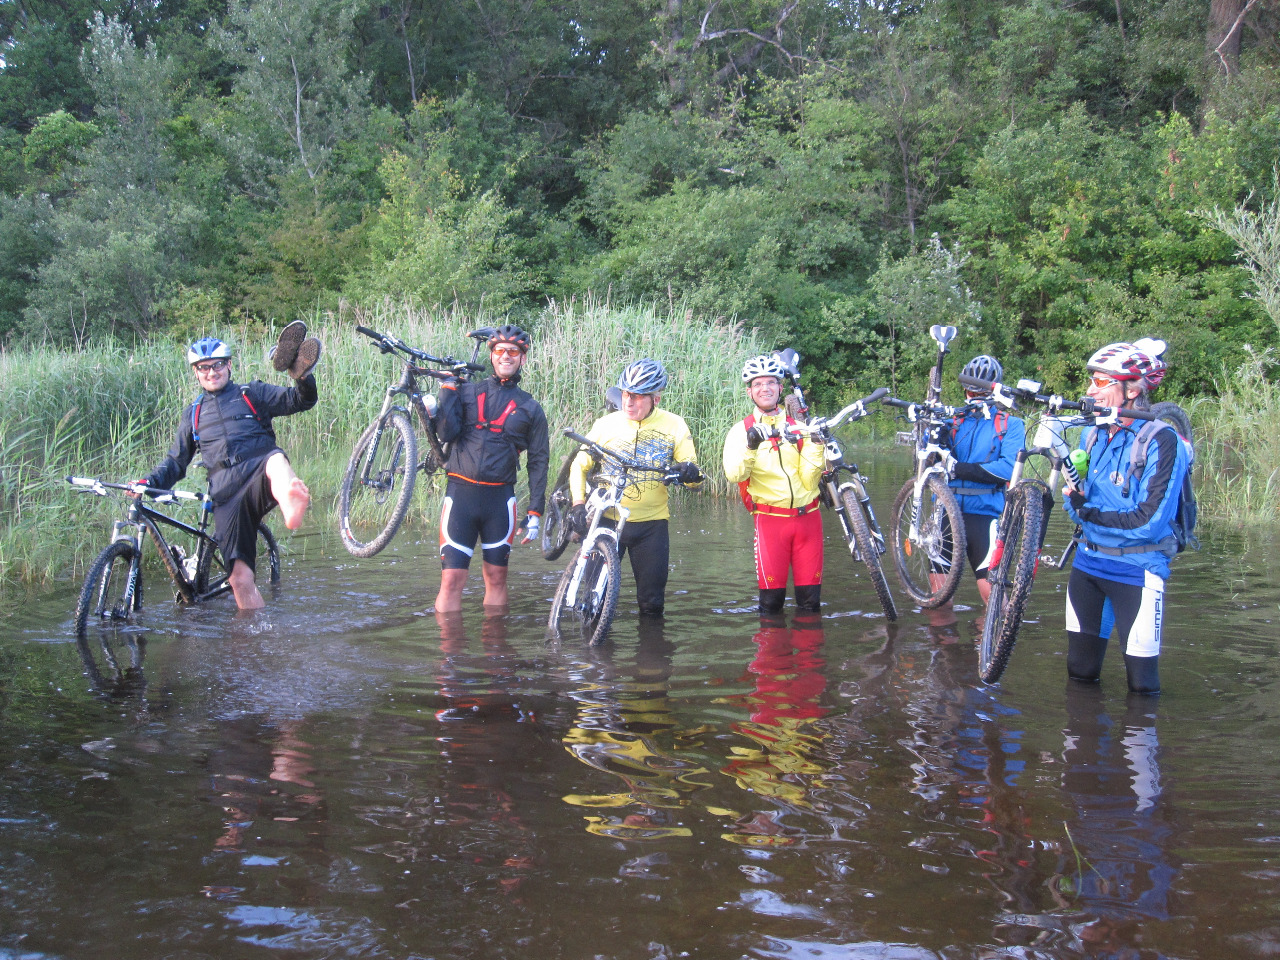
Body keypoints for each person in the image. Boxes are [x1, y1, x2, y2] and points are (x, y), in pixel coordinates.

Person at [141, 325, 319, 610]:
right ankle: (253, 630)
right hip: (225, 492)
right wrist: (148, 483)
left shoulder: (252, 393)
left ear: (229, 365)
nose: (211, 372)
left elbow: (301, 400)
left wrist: (303, 378)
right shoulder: (193, 414)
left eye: (217, 365)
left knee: (275, 460)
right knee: (239, 579)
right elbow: (176, 462)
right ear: (196, 373)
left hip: (259, 468)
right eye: (204, 368)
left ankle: (291, 502)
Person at [1061, 339, 1189, 695]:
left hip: (1137, 569)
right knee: (1079, 672)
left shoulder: (1163, 441)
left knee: (1142, 687)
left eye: (1101, 381)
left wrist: (1087, 511)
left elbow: (1149, 521)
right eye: (1092, 380)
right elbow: (1074, 504)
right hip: (1088, 564)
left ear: (1132, 389)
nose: (1090, 390)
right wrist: (1080, 506)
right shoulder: (1091, 435)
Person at [567, 359, 702, 618]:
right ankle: (591, 643)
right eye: (626, 394)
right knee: (594, 603)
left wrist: (690, 474)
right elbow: (579, 466)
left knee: (652, 605)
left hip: (651, 526)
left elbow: (694, 478)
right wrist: (577, 504)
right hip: (606, 521)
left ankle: (651, 645)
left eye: (638, 396)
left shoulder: (675, 425)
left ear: (656, 398)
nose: (629, 402)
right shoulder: (605, 424)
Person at [432, 324, 550, 612]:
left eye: (513, 352)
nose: (505, 356)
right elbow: (445, 433)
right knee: (451, 580)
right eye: (499, 351)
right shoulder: (467, 392)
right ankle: (446, 643)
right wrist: (448, 391)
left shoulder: (531, 408)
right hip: (460, 496)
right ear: (492, 356)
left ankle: (495, 641)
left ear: (523, 358)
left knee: (497, 579)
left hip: (500, 501)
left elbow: (538, 460)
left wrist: (535, 511)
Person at [721, 354, 827, 614]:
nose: (764, 388)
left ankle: (810, 643)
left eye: (770, 382)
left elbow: (809, 480)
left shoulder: (797, 427)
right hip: (770, 522)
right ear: (749, 392)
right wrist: (751, 446)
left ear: (780, 388)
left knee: (811, 604)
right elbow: (734, 475)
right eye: (757, 384)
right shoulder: (740, 430)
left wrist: (816, 444)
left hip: (808, 519)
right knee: (770, 605)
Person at [947, 355, 1026, 605]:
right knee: (938, 604)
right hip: (946, 513)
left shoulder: (1011, 424)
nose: (976, 398)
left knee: (994, 603)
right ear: (964, 391)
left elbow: (1008, 469)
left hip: (984, 514)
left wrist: (958, 469)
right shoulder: (950, 420)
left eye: (982, 393)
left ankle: (996, 632)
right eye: (972, 392)